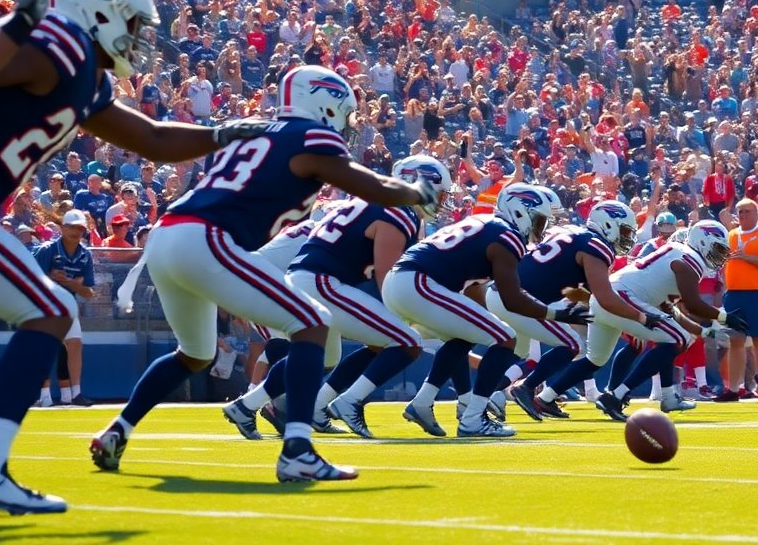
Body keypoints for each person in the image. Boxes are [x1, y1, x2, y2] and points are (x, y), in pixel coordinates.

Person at [0, 0, 259, 515]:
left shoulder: (81, 71)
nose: (140, 38)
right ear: (101, 7)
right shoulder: (62, 44)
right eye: (135, 23)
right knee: (50, 309)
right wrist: (21, 22)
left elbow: (153, 139)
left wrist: (224, 133)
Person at [91, 65, 439, 482]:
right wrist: (414, 192)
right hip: (207, 238)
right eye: (344, 114)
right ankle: (298, 449)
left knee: (195, 354)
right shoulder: (311, 136)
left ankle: (117, 430)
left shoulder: (262, 133)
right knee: (314, 322)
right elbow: (370, 186)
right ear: (325, 102)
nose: (345, 127)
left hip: (169, 237)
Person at [226, 155, 454, 441]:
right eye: (441, 192)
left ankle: (247, 405)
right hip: (322, 282)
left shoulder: (370, 199)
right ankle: (350, 401)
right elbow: (388, 280)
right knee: (408, 341)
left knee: (324, 356)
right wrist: (414, 317)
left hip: (305, 278)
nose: (442, 200)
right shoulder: (398, 211)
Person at [384, 184, 588, 438]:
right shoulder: (507, 235)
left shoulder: (486, 223)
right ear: (520, 211)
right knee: (506, 338)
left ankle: (423, 403)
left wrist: (483, 320)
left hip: (404, 281)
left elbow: (474, 290)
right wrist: (555, 314)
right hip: (419, 282)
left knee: (465, 336)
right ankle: (473, 418)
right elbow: (512, 298)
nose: (541, 228)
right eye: (539, 219)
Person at [534, 220, 748, 421]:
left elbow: (668, 308)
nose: (720, 256)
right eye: (718, 249)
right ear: (703, 241)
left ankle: (546, 397)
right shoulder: (690, 260)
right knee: (676, 339)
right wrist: (725, 316)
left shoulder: (676, 253)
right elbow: (692, 304)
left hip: (609, 296)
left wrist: (703, 331)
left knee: (596, 358)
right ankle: (616, 396)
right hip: (622, 297)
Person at [508, 199, 638, 420]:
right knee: (571, 345)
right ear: (608, 224)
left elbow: (578, 290)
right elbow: (602, 297)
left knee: (523, 353)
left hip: (514, 289)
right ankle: (525, 388)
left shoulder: (573, 233)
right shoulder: (596, 245)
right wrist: (640, 318)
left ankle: (502, 399)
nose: (627, 238)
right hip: (524, 296)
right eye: (624, 231)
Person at [716, 199, 758, 402]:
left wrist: (748, 257)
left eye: (747, 211)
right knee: (735, 341)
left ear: (756, 213)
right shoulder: (731, 235)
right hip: (734, 294)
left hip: (757, 293)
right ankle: (734, 388)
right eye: (740, 211)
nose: (743, 215)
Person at [34, 209, 97, 408]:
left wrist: (71, 283)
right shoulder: (47, 250)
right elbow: (32, 279)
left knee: (75, 345)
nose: (76, 232)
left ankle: (76, 393)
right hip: (45, 305)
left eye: (80, 228)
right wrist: (52, 280)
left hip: (68, 306)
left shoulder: (85, 255)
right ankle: (44, 396)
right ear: (62, 228)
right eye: (72, 227)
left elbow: (89, 292)